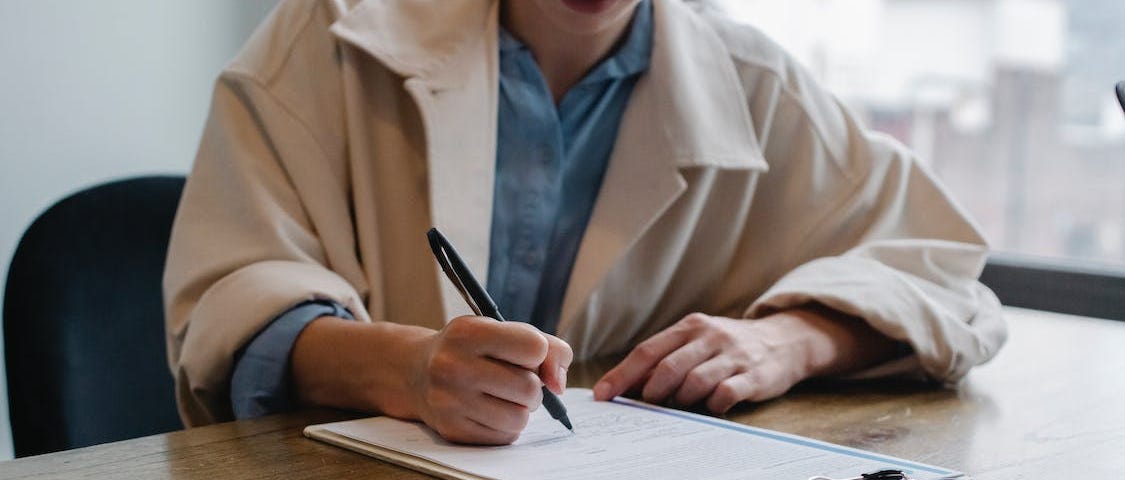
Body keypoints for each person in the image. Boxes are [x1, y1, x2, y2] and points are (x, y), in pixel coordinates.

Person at [164, 0, 1007, 445]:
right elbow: (234, 300)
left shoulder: (756, 85)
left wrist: (788, 340)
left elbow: (941, 273)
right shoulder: (331, 30)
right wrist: (408, 369)